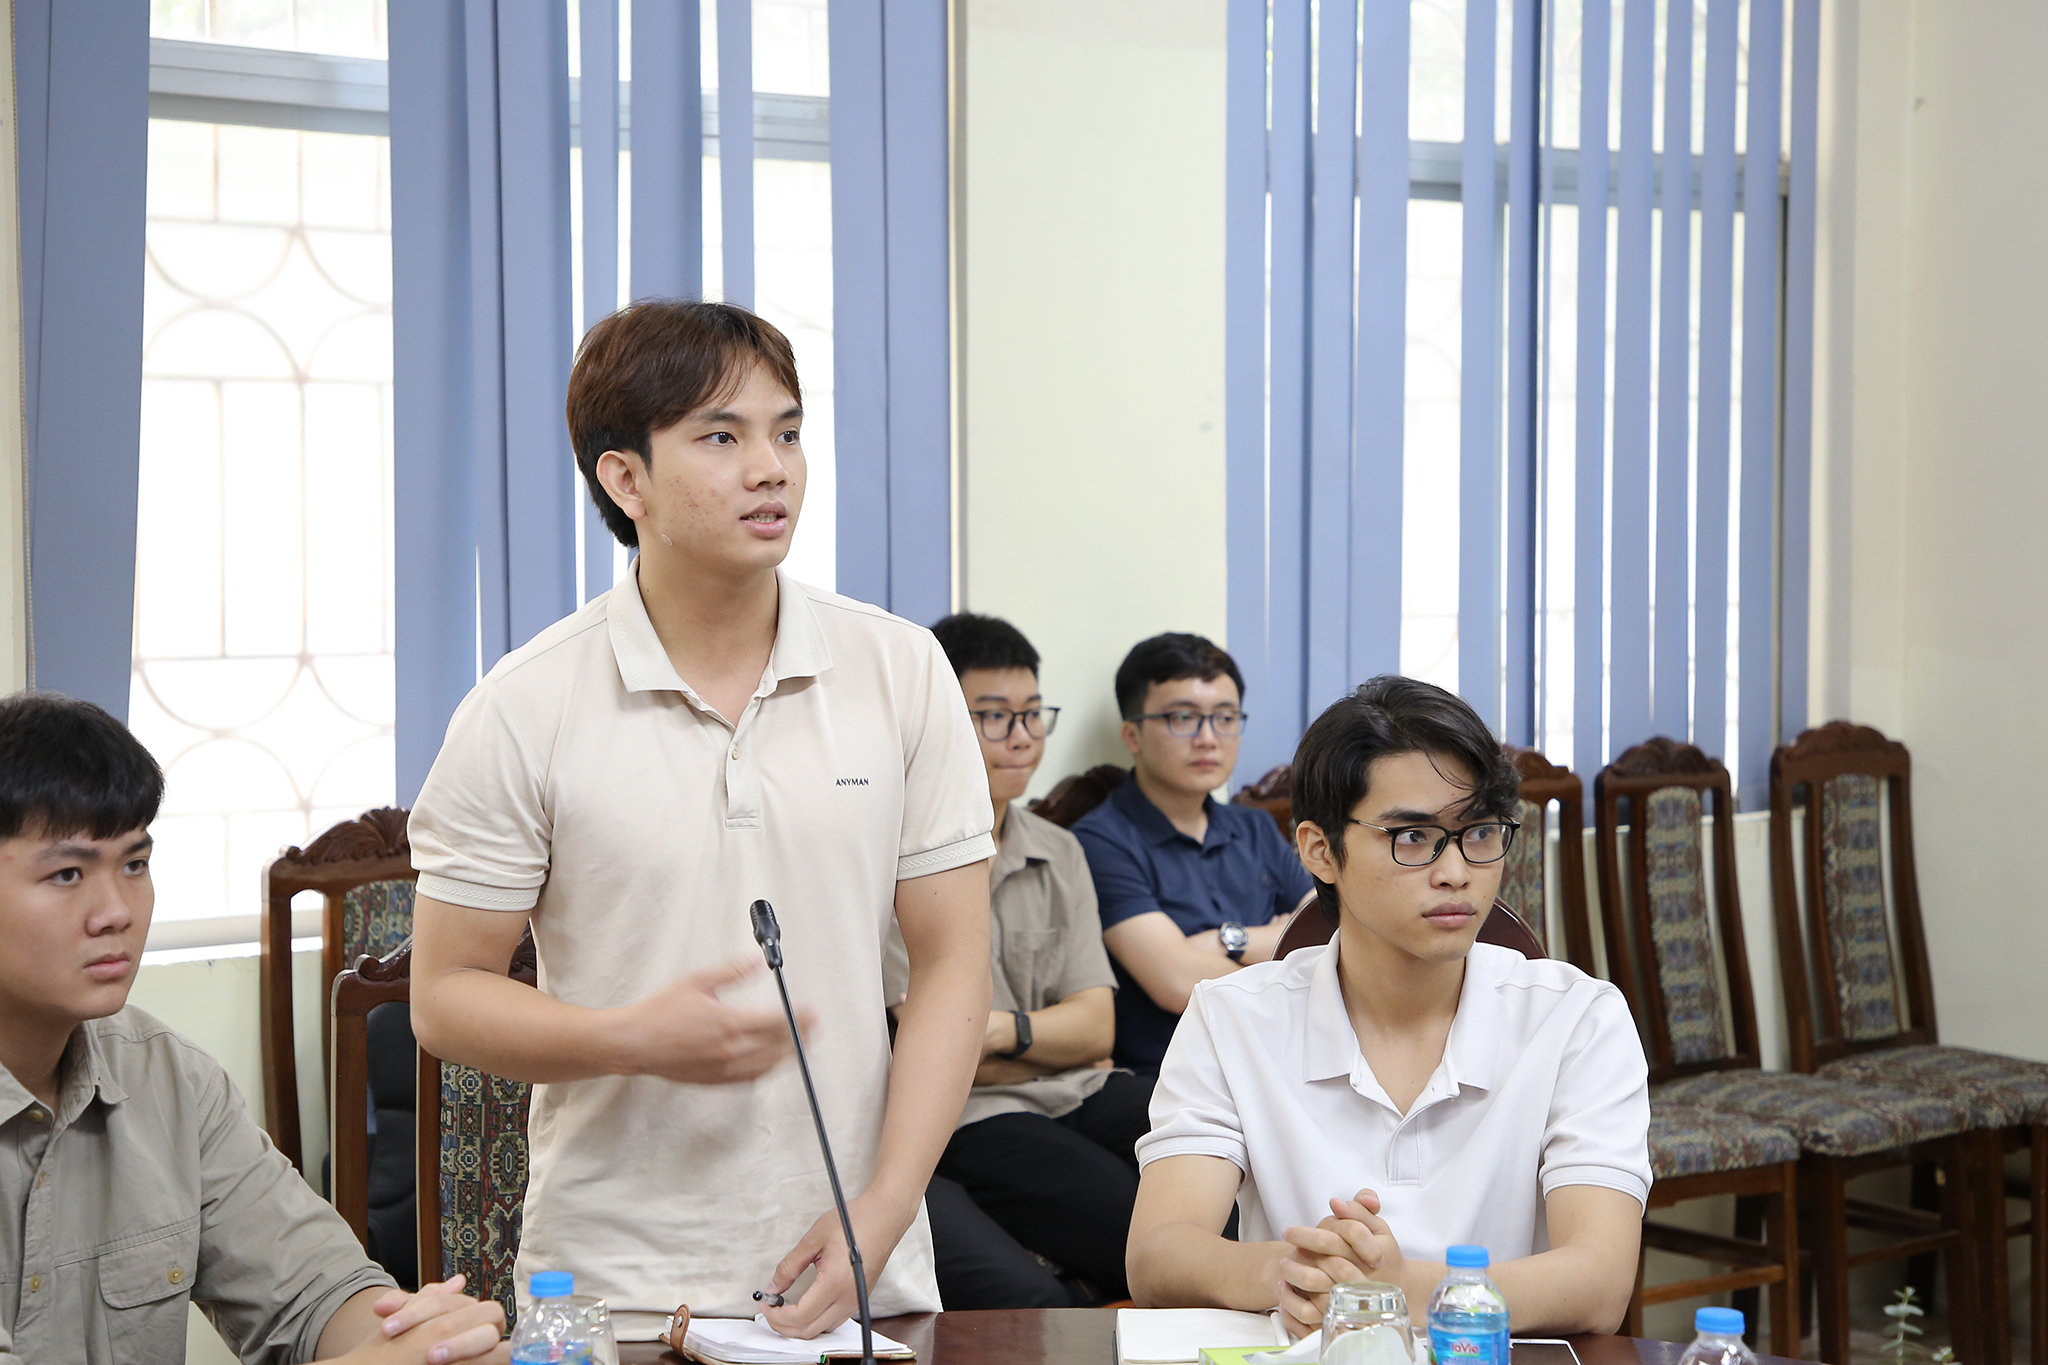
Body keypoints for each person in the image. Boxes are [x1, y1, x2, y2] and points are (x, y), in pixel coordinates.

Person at [405, 301, 995, 1342]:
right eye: (721, 437)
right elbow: (445, 998)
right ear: (623, 478)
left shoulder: (900, 669)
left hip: (856, 1269)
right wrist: (628, 1036)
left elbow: (952, 961)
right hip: (617, 1286)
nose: (772, 469)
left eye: (788, 432)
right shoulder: (524, 704)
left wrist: (888, 1202)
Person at [1125, 676, 1651, 1337]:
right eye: (1412, 836)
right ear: (1320, 850)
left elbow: (1600, 1282)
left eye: (1479, 831)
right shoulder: (1231, 1017)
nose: (1456, 871)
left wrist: (1402, 1290)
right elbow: (1157, 1253)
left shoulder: (1579, 1019)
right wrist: (1293, 1273)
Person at [0, 691, 509, 1365]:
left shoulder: (172, 1082)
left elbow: (314, 1291)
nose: (115, 911)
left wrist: (421, 1338)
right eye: (67, 873)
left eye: (134, 864)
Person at [889, 614, 1155, 1309]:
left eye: (1033, 714)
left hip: (1082, 1086)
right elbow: (939, 1054)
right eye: (994, 716)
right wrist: (1044, 1041)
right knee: (1142, 1233)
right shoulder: (890, 857)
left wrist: (1002, 1033)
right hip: (975, 1114)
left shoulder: (1059, 849)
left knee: (1218, 1150)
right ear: (940, 721)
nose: (1022, 737)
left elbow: (1097, 1028)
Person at [1070, 633, 1315, 1074]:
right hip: (1174, 1076)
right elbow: (1176, 981)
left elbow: (1329, 935)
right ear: (1132, 735)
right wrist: (1282, 947)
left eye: (1225, 717)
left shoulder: (1256, 827)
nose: (1208, 738)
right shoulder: (1100, 841)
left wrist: (1229, 940)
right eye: (1183, 717)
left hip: (1281, 1059)